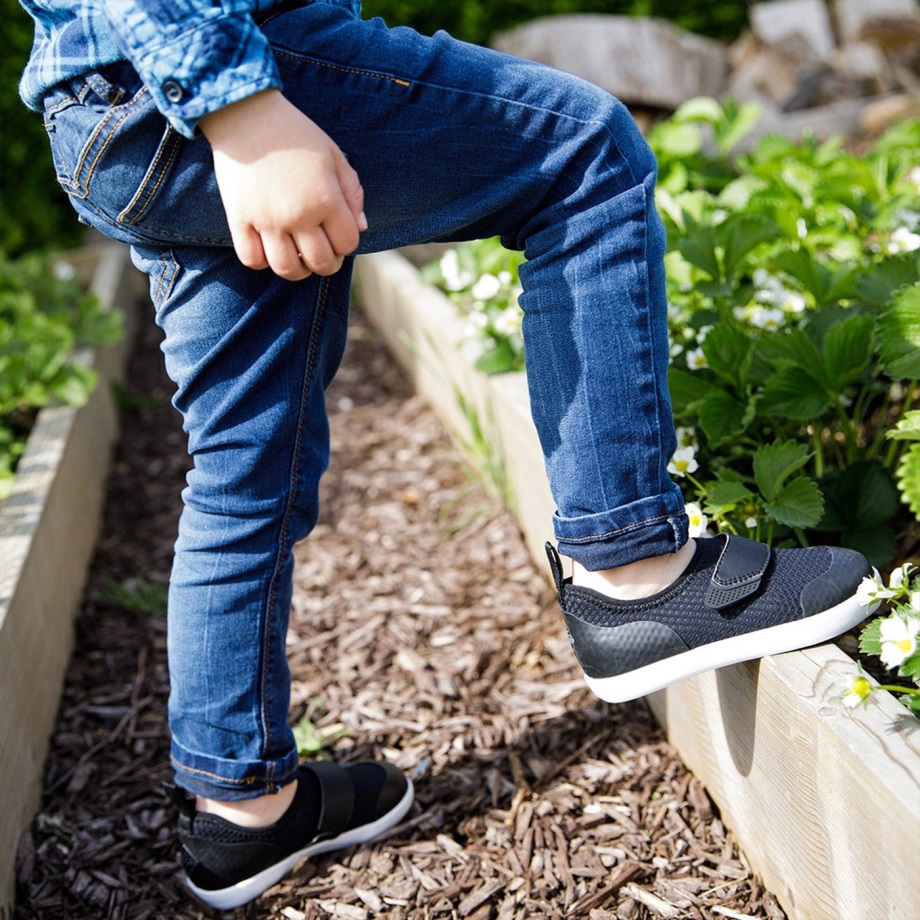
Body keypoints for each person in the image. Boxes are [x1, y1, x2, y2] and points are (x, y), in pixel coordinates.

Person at [18, 0, 871, 909]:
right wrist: (240, 107)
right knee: (586, 155)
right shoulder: (234, 90)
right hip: (220, 61)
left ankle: (243, 806)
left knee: (241, 467)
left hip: (107, 109)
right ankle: (635, 571)